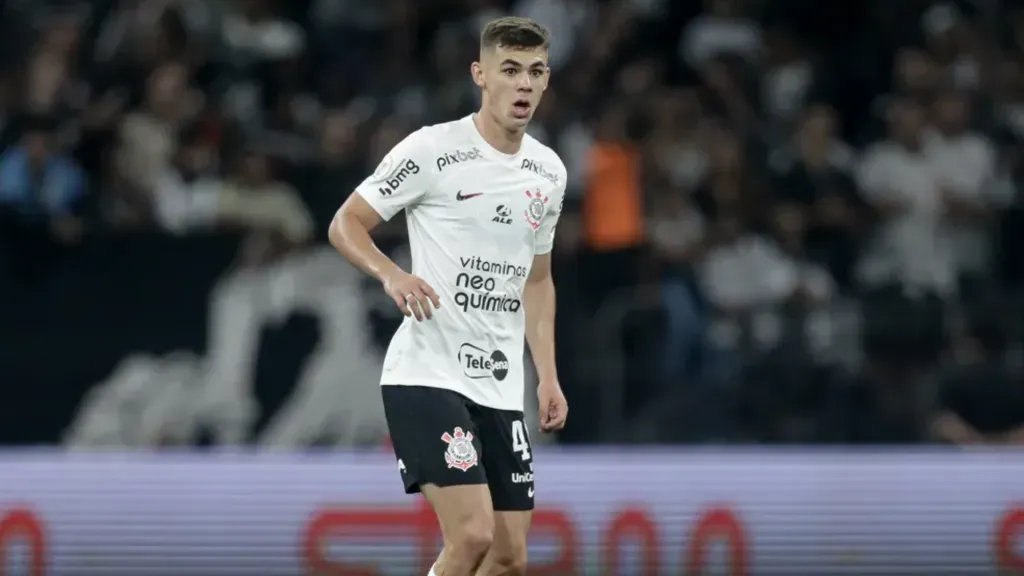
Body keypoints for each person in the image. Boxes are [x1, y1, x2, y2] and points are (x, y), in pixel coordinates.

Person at [328, 16, 569, 576]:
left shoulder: (548, 172)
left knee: (510, 556)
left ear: (547, 80)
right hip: (427, 373)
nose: (523, 85)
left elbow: (537, 280)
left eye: (535, 72)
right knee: (473, 535)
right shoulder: (434, 150)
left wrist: (549, 376)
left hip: (501, 385)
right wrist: (392, 275)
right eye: (510, 70)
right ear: (480, 75)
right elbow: (346, 224)